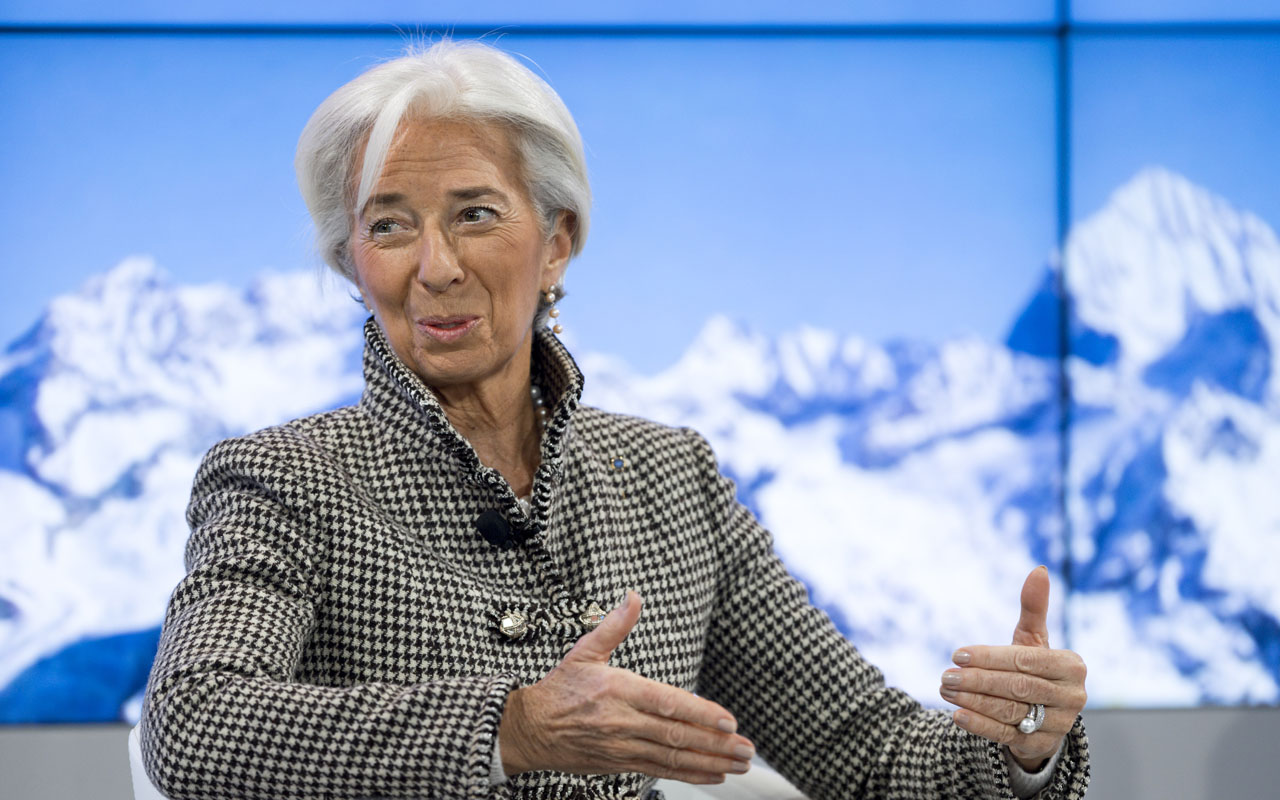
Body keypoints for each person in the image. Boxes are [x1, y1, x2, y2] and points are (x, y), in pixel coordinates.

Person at [140, 39, 1090, 800]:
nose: (432, 266)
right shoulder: (280, 480)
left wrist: (1020, 745)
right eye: (388, 226)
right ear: (354, 263)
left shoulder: (671, 480)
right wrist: (512, 728)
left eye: (473, 214)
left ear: (558, 241)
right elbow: (195, 724)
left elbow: (875, 757)